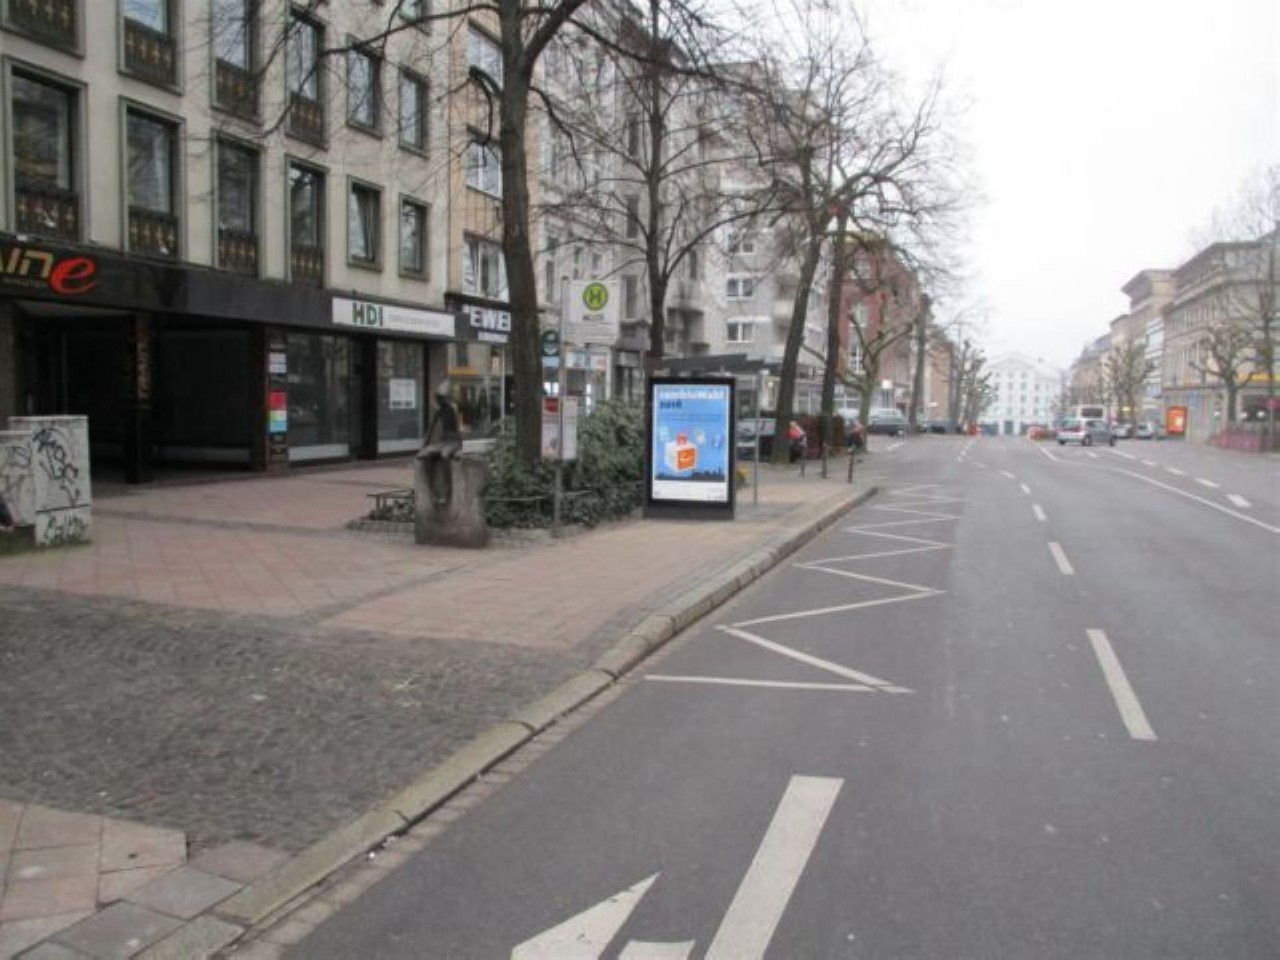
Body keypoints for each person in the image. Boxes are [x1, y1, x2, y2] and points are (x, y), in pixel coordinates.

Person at [421, 382, 463, 507]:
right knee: (427, 455)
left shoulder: (453, 408)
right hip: (444, 441)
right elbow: (431, 428)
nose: (438, 400)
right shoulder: (439, 411)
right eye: (437, 398)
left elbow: (460, 429)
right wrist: (424, 445)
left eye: (440, 398)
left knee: (445, 455)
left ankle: (447, 492)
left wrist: (460, 449)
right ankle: (432, 491)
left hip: (454, 441)